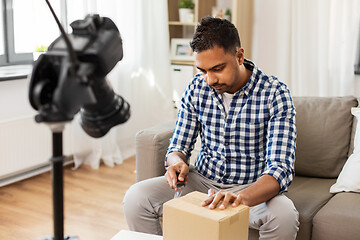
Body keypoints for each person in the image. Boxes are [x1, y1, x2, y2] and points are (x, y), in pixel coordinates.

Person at [123, 16, 299, 239]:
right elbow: (177, 147)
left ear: (239, 56)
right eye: (203, 70)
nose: (209, 79)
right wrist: (176, 163)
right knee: (136, 198)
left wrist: (241, 198)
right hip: (202, 182)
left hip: (250, 187)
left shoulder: (275, 93)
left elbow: (280, 168)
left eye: (217, 68)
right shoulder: (197, 88)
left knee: (285, 217)